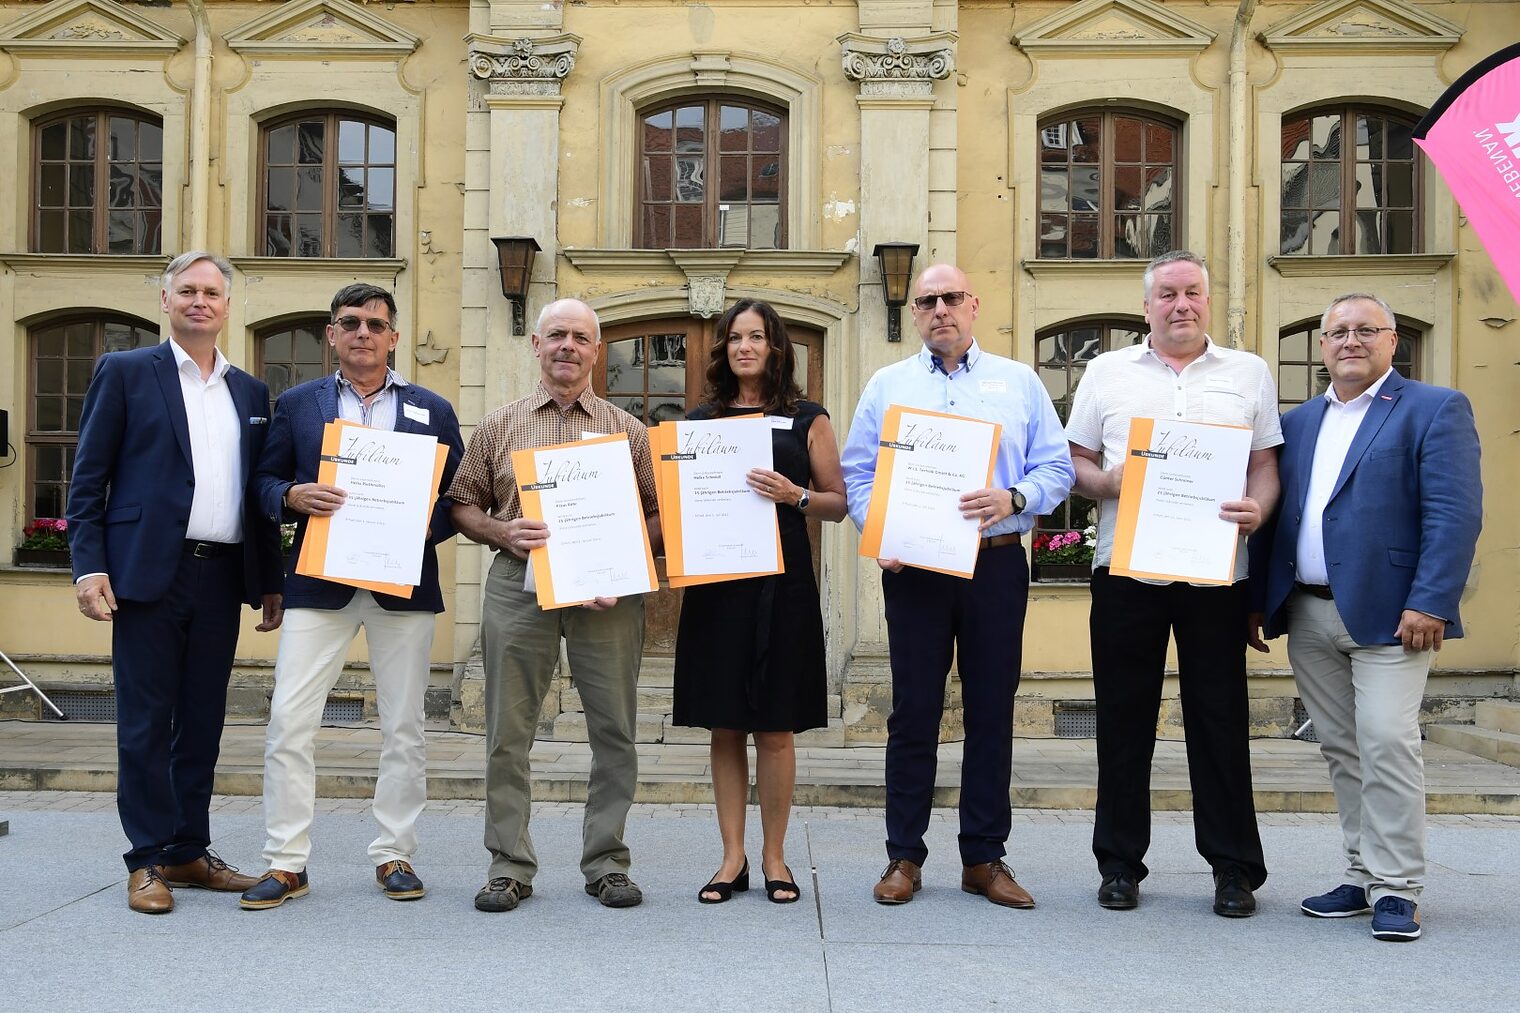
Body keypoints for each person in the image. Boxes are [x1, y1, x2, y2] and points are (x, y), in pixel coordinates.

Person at [1249, 293, 1482, 942]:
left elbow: (1454, 514)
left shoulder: (1434, 409)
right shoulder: (1297, 425)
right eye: (1337, 332)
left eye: (1364, 330)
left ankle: (1398, 887)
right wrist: (1256, 604)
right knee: (1341, 748)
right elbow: (1277, 520)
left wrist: (1432, 598)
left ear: (1392, 340)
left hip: (1394, 615)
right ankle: (1361, 872)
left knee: (1386, 741)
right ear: (1322, 345)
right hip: (1309, 611)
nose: (1349, 341)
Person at [841, 263, 1074, 908]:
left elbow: (1056, 466)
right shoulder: (888, 385)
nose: (939, 309)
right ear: (914, 313)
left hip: (995, 563)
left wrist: (1015, 495)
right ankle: (904, 856)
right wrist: (880, 531)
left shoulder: (1019, 383)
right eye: (926, 301)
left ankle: (984, 857)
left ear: (973, 305)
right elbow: (859, 473)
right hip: (914, 569)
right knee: (913, 710)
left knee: (991, 710)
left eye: (950, 298)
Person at [1065, 249, 1281, 917]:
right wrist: (1108, 482)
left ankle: (1233, 867)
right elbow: (1075, 460)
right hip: (1127, 569)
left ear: (1207, 301)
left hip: (1218, 571)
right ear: (1147, 305)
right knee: (1123, 717)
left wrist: (1258, 509)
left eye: (1192, 292)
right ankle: (1120, 862)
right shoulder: (1106, 372)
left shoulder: (1249, 372)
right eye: (1167, 293)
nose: (1181, 303)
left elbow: (1265, 465)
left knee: (1219, 718)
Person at [67, 251, 284, 914]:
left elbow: (255, 493)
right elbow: (87, 479)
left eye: (211, 292)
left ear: (226, 305)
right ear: (165, 300)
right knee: (143, 722)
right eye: (187, 290)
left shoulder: (249, 392)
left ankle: (189, 850)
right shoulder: (127, 372)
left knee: (201, 721)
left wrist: (269, 578)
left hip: (220, 576)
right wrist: (87, 564)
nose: (199, 301)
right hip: (146, 575)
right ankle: (146, 858)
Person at [238, 284, 464, 910]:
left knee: (404, 727)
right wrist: (289, 496)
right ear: (331, 335)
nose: (363, 332)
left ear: (394, 336)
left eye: (376, 323)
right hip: (318, 582)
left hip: (403, 586)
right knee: (290, 721)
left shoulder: (433, 408)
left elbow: (457, 498)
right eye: (349, 323)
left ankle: (395, 853)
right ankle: (286, 861)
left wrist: (429, 522)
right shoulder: (297, 405)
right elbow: (260, 480)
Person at [449, 298, 661, 912]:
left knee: (615, 730)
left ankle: (607, 863)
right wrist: (501, 532)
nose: (568, 346)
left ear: (598, 351)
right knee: (508, 732)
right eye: (557, 336)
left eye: (581, 338)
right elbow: (462, 503)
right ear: (535, 346)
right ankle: (509, 865)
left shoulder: (627, 429)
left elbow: (658, 512)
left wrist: (622, 553)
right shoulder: (499, 424)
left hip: (607, 592)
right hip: (519, 584)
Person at [671, 299, 848, 905]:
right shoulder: (700, 421)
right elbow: (680, 506)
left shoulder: (808, 419)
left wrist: (795, 494)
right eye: (734, 338)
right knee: (725, 725)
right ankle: (731, 858)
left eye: (757, 337)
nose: (745, 346)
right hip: (719, 584)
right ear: (723, 349)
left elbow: (838, 501)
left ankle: (775, 857)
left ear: (776, 347)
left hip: (785, 584)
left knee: (775, 728)